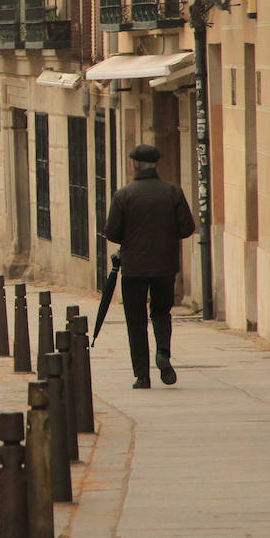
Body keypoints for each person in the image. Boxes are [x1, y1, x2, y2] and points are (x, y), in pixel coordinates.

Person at [102, 143, 196, 389]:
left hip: (134, 268)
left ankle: (142, 376)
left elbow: (112, 232)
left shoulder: (124, 195)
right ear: (156, 165)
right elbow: (187, 228)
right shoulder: (173, 192)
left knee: (136, 319)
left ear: (134, 165)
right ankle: (163, 352)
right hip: (165, 265)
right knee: (161, 312)